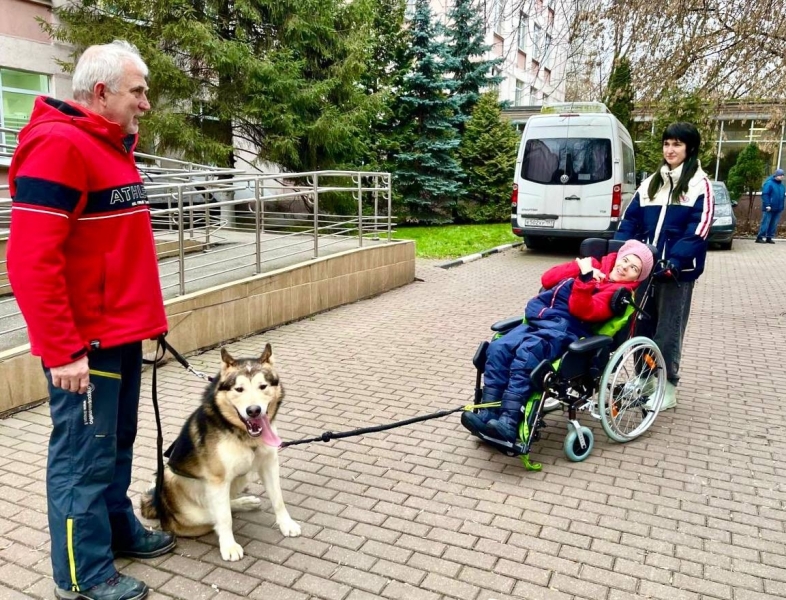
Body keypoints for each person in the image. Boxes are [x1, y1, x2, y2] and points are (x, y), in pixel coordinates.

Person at [7, 41, 174, 600]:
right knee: (83, 457)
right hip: (86, 343)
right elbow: (31, 261)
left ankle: (116, 530)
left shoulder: (109, 145)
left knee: (116, 443)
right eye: (138, 92)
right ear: (101, 93)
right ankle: (82, 575)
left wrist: (145, 318)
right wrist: (62, 351)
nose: (145, 103)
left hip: (120, 332)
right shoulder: (58, 146)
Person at [461, 240, 654, 443]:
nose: (625, 267)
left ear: (637, 278)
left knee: (527, 354)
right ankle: (488, 413)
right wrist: (580, 267)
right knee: (498, 348)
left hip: (565, 331)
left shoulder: (618, 294)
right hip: (538, 321)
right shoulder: (591, 265)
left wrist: (585, 279)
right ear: (618, 257)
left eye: (634, 268)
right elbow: (548, 279)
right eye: (625, 260)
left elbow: (583, 310)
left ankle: (509, 421)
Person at [614, 122, 714, 411]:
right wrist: (622, 251)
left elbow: (698, 229)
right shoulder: (651, 184)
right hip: (645, 270)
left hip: (676, 273)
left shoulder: (700, 185)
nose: (670, 150)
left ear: (690, 149)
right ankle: (645, 378)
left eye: (677, 144)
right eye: (667, 143)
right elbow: (630, 221)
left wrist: (675, 260)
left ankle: (668, 385)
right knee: (640, 326)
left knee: (668, 331)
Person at [755, 168, 784, 244]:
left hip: (777, 209)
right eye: (780, 175)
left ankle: (769, 237)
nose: (782, 176)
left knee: (773, 224)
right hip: (769, 208)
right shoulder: (769, 183)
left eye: (783, 175)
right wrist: (767, 205)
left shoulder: (782, 186)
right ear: (776, 175)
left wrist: (781, 207)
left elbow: (782, 197)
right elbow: (765, 194)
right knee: (765, 223)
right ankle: (760, 237)